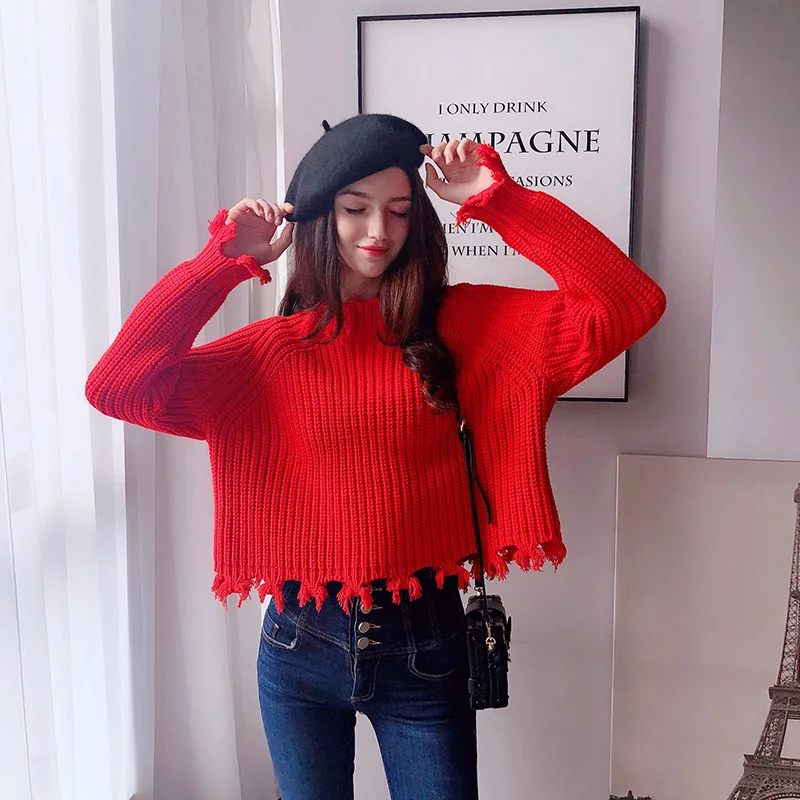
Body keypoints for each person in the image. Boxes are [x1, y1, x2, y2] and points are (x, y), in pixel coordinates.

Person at [85, 113, 666, 799]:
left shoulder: (466, 327)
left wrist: (498, 200)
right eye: (355, 208)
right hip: (297, 643)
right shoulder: (268, 356)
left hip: (424, 640)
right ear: (319, 220)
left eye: (398, 210)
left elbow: (629, 304)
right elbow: (117, 386)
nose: (378, 231)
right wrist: (221, 263)